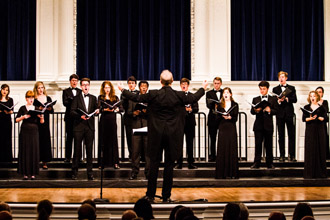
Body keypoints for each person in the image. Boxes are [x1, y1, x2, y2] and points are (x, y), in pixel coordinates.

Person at [119, 69, 208, 202]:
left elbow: (136, 97)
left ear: (160, 82)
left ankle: (150, 195)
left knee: (154, 164)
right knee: (169, 166)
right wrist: (203, 88)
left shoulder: (154, 94)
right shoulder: (179, 95)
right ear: (172, 82)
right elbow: (194, 97)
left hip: (156, 135)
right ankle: (166, 196)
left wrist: (123, 90)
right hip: (172, 136)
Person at [70, 78, 99, 180]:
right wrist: (80, 116)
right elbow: (72, 111)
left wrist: (97, 112)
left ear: (89, 86)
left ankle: (90, 173)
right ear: (81, 86)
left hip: (89, 127)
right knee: (77, 150)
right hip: (78, 127)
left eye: (87, 85)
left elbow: (96, 109)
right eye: (83, 85)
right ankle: (74, 172)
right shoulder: (76, 98)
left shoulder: (93, 98)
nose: (85, 87)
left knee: (89, 151)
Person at [16, 90, 44, 180]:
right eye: (29, 98)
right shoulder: (22, 108)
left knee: (33, 151)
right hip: (25, 131)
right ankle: (25, 173)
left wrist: (41, 117)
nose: (31, 100)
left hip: (34, 131)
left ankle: (33, 173)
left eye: (32, 98)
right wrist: (23, 117)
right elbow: (16, 120)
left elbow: (42, 122)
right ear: (26, 98)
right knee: (25, 151)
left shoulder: (36, 108)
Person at [250, 81, 278, 169]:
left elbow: (276, 111)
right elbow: (252, 111)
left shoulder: (273, 99)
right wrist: (256, 110)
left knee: (269, 145)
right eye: (261, 89)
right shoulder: (256, 99)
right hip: (258, 125)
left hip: (268, 125)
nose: (262, 91)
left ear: (267, 89)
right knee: (258, 145)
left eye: (264, 89)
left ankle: (269, 163)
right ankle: (256, 163)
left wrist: (270, 110)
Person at [272, 71, 297, 162]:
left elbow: (295, 100)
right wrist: (279, 101)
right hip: (280, 114)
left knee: (291, 135)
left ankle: (292, 155)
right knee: (281, 135)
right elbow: (274, 102)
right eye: (280, 77)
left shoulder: (291, 88)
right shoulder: (275, 89)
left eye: (283, 77)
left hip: (289, 113)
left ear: (286, 78)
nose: (281, 79)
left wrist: (287, 99)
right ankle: (282, 155)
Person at [302, 91, 327, 179]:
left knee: (320, 149)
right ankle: (309, 173)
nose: (312, 98)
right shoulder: (306, 107)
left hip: (319, 130)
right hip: (310, 130)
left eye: (314, 96)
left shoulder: (322, 108)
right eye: (311, 96)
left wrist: (321, 118)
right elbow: (304, 119)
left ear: (317, 97)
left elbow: (326, 118)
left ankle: (320, 173)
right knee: (310, 149)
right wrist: (311, 118)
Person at [98, 81, 123, 169]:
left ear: (111, 88)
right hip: (104, 120)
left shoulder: (115, 98)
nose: (107, 89)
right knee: (103, 141)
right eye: (105, 87)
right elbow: (98, 109)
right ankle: (101, 163)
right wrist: (105, 110)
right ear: (103, 88)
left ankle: (115, 162)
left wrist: (116, 109)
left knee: (113, 141)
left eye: (108, 87)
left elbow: (121, 109)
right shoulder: (101, 97)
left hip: (112, 121)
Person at [215, 87, 239, 179]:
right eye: (224, 93)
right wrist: (221, 116)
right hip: (222, 127)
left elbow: (235, 118)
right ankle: (222, 173)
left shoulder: (235, 105)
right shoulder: (220, 105)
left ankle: (232, 173)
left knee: (231, 148)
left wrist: (230, 118)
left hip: (231, 128)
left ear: (230, 94)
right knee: (222, 149)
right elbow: (216, 118)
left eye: (227, 92)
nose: (225, 94)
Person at [128, 80, 150, 180]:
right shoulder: (133, 99)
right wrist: (134, 113)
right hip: (136, 126)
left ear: (147, 88)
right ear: (139, 87)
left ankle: (148, 173)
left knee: (147, 152)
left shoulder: (150, 99)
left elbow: (155, 113)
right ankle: (134, 172)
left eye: (145, 86)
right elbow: (128, 112)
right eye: (142, 86)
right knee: (135, 152)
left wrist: (147, 111)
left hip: (147, 127)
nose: (144, 88)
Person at [175, 78, 198, 169]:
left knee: (190, 143)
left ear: (188, 85)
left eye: (185, 84)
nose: (184, 85)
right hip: (180, 123)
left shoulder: (192, 96)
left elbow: (196, 108)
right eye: (182, 84)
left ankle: (190, 163)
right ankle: (179, 163)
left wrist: (191, 109)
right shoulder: (177, 96)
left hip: (190, 122)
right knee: (178, 143)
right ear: (180, 86)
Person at [33, 81, 54, 169]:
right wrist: (39, 108)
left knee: (45, 141)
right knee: (36, 141)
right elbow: (32, 109)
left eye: (42, 87)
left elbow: (52, 111)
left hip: (45, 122)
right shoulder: (34, 98)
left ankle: (45, 162)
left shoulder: (48, 98)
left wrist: (48, 108)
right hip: (36, 122)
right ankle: (36, 161)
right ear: (36, 89)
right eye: (39, 88)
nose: (41, 89)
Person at [62, 74, 82, 163]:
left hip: (77, 118)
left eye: (76, 81)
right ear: (70, 81)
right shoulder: (66, 91)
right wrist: (73, 100)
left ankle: (79, 157)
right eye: (73, 80)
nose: (74, 82)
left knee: (78, 138)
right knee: (69, 138)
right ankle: (67, 157)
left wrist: (73, 100)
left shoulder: (80, 91)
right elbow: (65, 103)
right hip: (69, 118)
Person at [122, 76, 139, 159]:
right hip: (128, 118)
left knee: (137, 138)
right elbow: (123, 106)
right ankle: (131, 154)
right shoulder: (124, 94)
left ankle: (138, 155)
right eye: (129, 83)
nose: (131, 85)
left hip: (137, 118)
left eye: (133, 83)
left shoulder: (138, 94)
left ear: (135, 84)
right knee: (129, 138)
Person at [206, 77, 223, 162]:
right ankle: (212, 155)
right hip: (212, 117)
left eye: (218, 83)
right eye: (215, 83)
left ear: (221, 84)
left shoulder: (224, 92)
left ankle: (222, 155)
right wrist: (214, 104)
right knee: (212, 138)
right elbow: (208, 105)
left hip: (222, 118)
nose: (216, 85)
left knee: (222, 138)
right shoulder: (209, 93)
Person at [0, 84, 14, 163]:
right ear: (1, 90)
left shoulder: (10, 100)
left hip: (7, 121)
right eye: (3, 89)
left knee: (7, 139)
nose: (5, 91)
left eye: (6, 90)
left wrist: (8, 111)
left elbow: (12, 111)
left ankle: (7, 159)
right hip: (0, 120)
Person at [315, 86, 329, 159]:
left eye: (320, 92)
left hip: (322, 124)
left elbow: (325, 112)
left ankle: (324, 156)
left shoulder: (325, 102)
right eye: (317, 92)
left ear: (322, 94)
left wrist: (319, 104)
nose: (318, 93)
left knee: (323, 141)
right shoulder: (312, 102)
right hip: (315, 123)